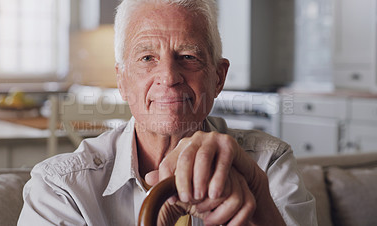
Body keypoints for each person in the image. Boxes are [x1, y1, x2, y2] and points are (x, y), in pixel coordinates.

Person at [18, 0, 316, 225]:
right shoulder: (60, 188)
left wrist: (257, 194)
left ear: (218, 77)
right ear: (122, 80)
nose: (169, 76)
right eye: (147, 57)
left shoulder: (268, 164)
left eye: (188, 56)